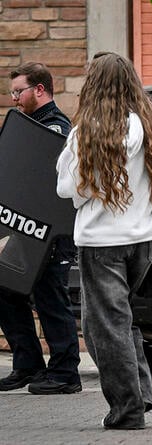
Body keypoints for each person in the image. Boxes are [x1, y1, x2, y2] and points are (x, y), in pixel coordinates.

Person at [56, 52, 152, 429]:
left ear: (95, 85)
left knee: (103, 328)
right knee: (118, 320)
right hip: (145, 239)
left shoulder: (87, 133)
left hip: (101, 241)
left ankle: (127, 411)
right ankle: (140, 394)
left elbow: (66, 188)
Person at [0, 62, 82, 395]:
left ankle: (65, 374)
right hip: (26, 229)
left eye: (18, 91)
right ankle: (28, 363)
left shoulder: (57, 128)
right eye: (12, 92)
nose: (14, 98)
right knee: (6, 288)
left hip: (52, 234)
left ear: (39, 90)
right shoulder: (27, 125)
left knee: (51, 298)